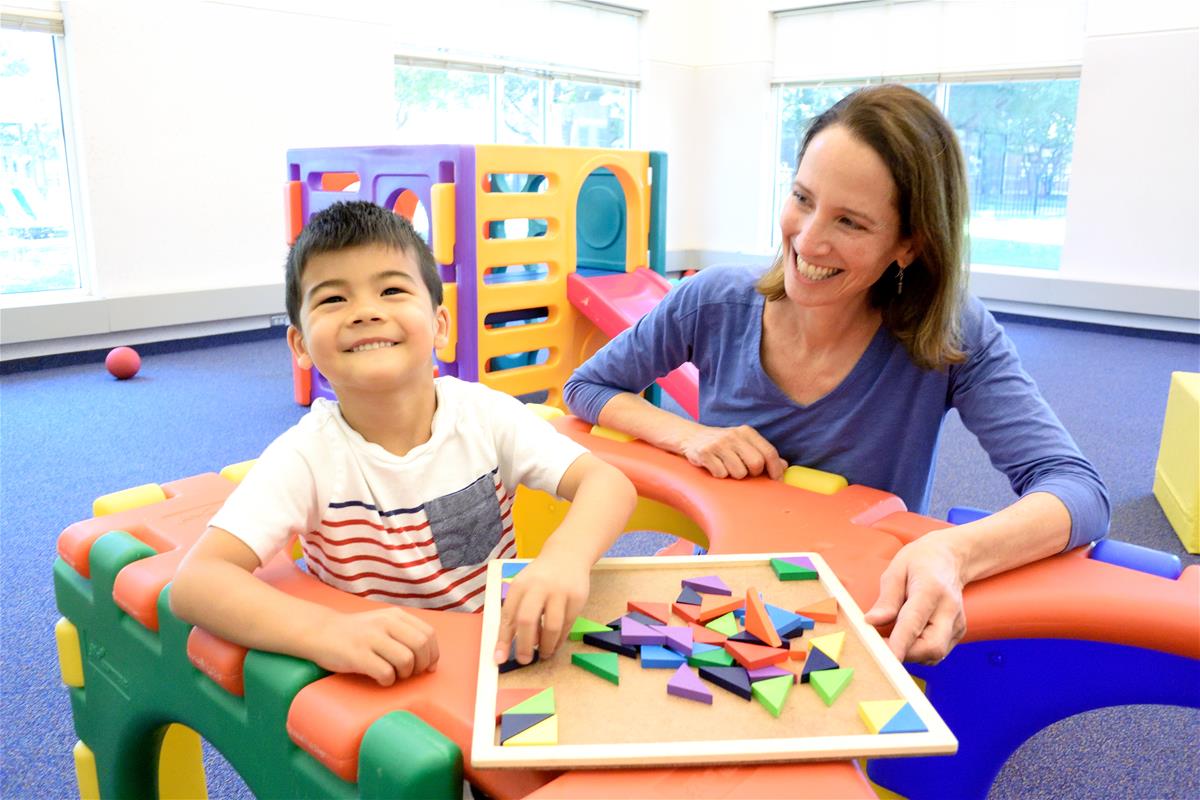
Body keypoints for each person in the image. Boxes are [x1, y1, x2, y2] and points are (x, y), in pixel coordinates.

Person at [564, 85, 1109, 666]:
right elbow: (587, 388)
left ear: (908, 245)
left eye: (849, 222)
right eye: (802, 198)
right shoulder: (713, 300)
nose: (808, 238)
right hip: (722, 592)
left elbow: (1078, 491)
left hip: (853, 608)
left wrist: (954, 551)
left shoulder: (953, 335)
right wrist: (692, 434)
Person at [171, 201, 636, 686]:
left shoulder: (485, 414)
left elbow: (607, 483)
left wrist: (564, 559)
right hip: (383, 682)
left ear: (439, 325)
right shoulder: (306, 456)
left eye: (391, 289)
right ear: (301, 345)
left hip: (492, 654)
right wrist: (328, 632)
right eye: (333, 300)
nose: (366, 312)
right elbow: (197, 582)